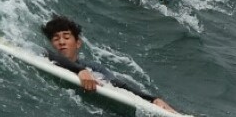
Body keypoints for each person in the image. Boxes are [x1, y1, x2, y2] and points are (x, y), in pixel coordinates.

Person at [41, 15, 178, 113]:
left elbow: (118, 84)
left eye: (66, 37)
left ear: (78, 43)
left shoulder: (93, 68)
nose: (62, 42)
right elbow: (50, 55)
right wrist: (80, 71)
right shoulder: (46, 57)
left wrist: (153, 99)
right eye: (55, 39)